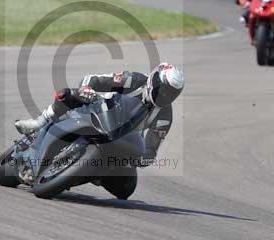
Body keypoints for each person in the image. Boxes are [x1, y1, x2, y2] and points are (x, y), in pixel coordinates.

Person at [14, 63, 184, 166]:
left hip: (123, 139)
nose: (165, 96)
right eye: (164, 89)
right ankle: (39, 123)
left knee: (125, 189)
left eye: (172, 93)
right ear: (153, 80)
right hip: (101, 113)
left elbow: (151, 148)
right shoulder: (134, 80)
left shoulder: (164, 116)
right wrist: (87, 88)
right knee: (70, 94)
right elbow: (95, 80)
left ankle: (83, 173)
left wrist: (143, 159)